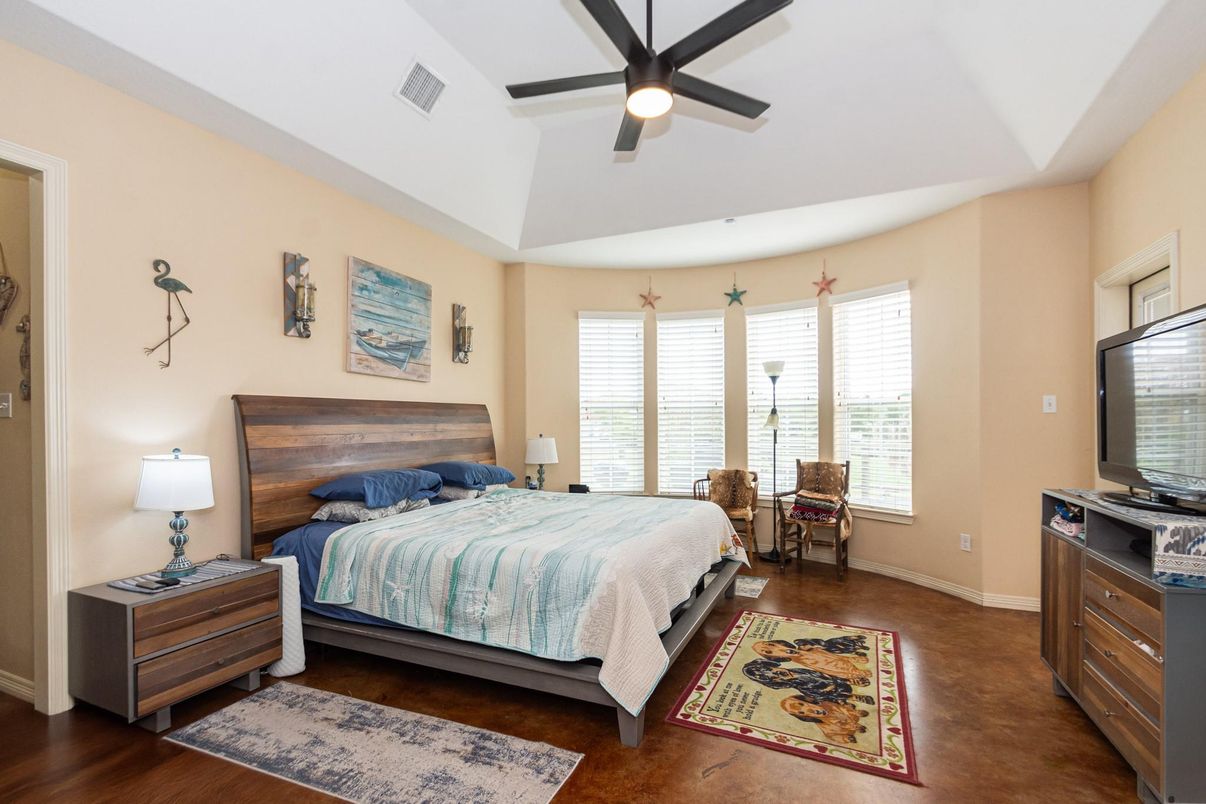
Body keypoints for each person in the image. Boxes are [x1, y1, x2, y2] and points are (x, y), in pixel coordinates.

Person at [741, 659, 874, 705]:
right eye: (771, 677)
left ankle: (851, 680)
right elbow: (815, 693)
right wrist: (827, 689)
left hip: (828, 678)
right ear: (775, 681)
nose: (776, 673)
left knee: (828, 675)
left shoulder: (797, 669)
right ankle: (853, 697)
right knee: (833, 693)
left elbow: (817, 672)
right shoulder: (798, 684)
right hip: (825, 690)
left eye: (770, 669)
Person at [751, 637, 872, 685]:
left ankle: (853, 656)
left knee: (825, 654)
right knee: (827, 667)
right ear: (773, 658)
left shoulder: (803, 644)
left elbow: (826, 651)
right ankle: (854, 673)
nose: (774, 648)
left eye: (771, 644)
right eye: (768, 652)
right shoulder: (798, 663)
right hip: (829, 667)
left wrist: (850, 658)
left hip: (831, 656)